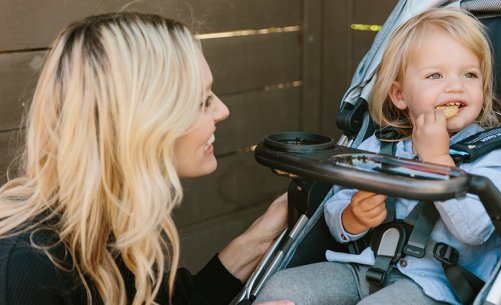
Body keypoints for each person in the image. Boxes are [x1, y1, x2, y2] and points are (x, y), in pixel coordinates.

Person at [0, 12, 292, 305]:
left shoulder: (110, 223)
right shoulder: (26, 268)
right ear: (145, 123)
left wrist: (260, 236)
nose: (222, 110)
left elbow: (175, 300)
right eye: (203, 101)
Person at [254, 8, 501, 305]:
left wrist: (437, 159)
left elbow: (476, 230)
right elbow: (339, 198)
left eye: (470, 74)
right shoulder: (382, 146)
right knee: (281, 289)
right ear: (400, 95)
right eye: (435, 75)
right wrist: (352, 217)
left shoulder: (492, 157)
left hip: (435, 287)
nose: (456, 85)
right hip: (363, 267)